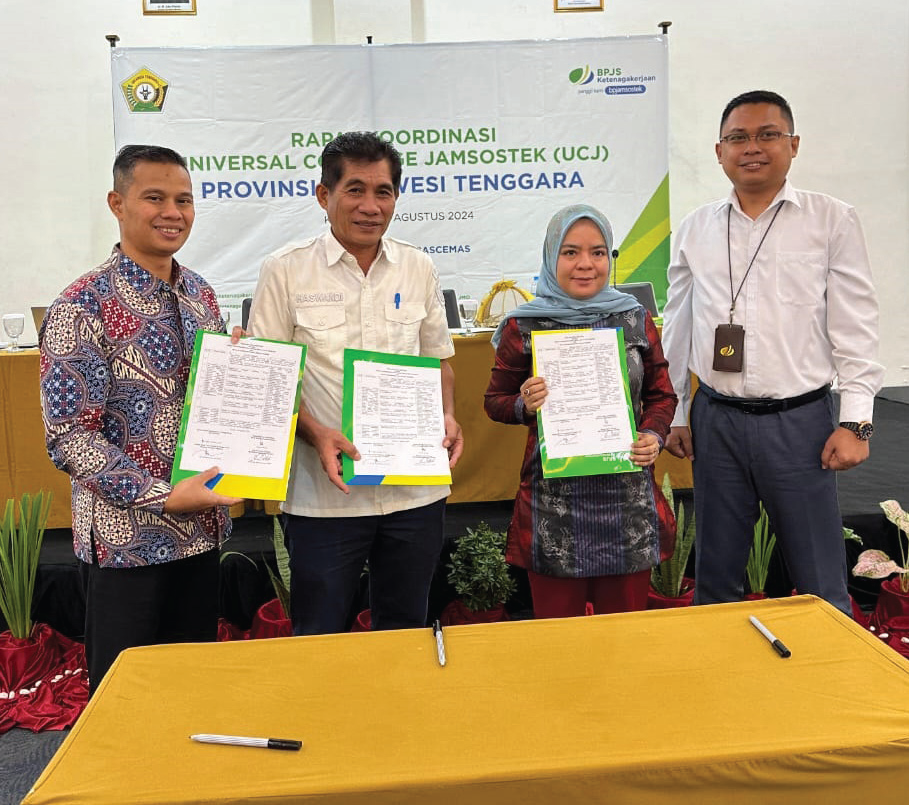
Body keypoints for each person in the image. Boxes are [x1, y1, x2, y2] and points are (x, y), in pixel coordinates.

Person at [661, 90, 884, 616]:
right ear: (719, 151)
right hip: (716, 420)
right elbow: (677, 326)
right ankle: (724, 684)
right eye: (738, 137)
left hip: (799, 424)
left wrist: (857, 423)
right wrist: (675, 411)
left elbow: (856, 323)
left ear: (794, 144)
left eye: (768, 135)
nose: (752, 147)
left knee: (819, 579)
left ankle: (828, 688)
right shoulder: (696, 227)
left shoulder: (830, 220)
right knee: (716, 576)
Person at [40, 144, 241, 695]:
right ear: (117, 203)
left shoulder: (201, 293)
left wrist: (243, 367)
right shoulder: (81, 305)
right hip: (126, 544)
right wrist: (161, 496)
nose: (172, 212)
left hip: (200, 534)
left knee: (191, 688)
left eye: (184, 199)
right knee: (126, 700)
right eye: (154, 197)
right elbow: (68, 437)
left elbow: (215, 401)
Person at [246, 131, 463, 635]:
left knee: (405, 629)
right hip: (325, 499)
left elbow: (439, 363)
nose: (371, 205)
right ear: (324, 196)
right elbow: (267, 385)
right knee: (320, 635)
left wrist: (447, 414)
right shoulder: (285, 271)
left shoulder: (418, 266)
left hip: (414, 496)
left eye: (383, 191)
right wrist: (316, 432)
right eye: (355, 189)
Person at [484, 204, 677, 618]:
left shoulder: (635, 317)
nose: (585, 264)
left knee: (623, 639)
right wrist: (523, 404)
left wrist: (653, 435)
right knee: (558, 643)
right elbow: (494, 401)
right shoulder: (524, 326)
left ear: (610, 258)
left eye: (598, 252)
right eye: (570, 252)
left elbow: (662, 396)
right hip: (555, 507)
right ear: (551, 257)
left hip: (625, 504)